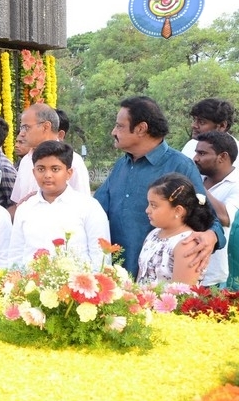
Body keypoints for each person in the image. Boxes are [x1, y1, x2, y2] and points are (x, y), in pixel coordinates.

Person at [95, 96, 225, 277]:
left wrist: (212, 236)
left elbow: (209, 220)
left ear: (141, 129)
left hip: (160, 286)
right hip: (116, 279)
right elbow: (94, 209)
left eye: (120, 126)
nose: (113, 132)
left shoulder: (180, 166)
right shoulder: (121, 165)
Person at [8, 141, 110, 269]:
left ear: (69, 173)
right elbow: (15, 256)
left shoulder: (89, 207)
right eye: (41, 169)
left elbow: (101, 258)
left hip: (77, 285)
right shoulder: (25, 209)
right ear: (34, 172)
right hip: (30, 286)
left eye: (55, 169)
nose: (47, 175)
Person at [137, 173, 215, 285]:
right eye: (148, 204)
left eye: (154, 205)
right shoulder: (153, 234)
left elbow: (181, 294)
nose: (147, 210)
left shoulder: (187, 244)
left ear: (178, 210)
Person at [10, 103, 90, 210]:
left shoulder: (73, 161)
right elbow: (18, 203)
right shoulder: (26, 160)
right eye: (21, 128)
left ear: (45, 127)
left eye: (26, 127)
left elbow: (83, 206)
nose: (22, 133)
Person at [192, 131, 239, 287]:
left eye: (202, 153)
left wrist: (197, 187)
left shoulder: (236, 184)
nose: (195, 158)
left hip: (216, 277)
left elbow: (225, 217)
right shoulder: (200, 179)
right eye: (196, 152)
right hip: (189, 268)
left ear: (222, 157)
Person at [182, 98, 239, 165]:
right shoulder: (190, 145)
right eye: (194, 120)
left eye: (202, 122)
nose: (194, 125)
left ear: (222, 125)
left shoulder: (236, 156)